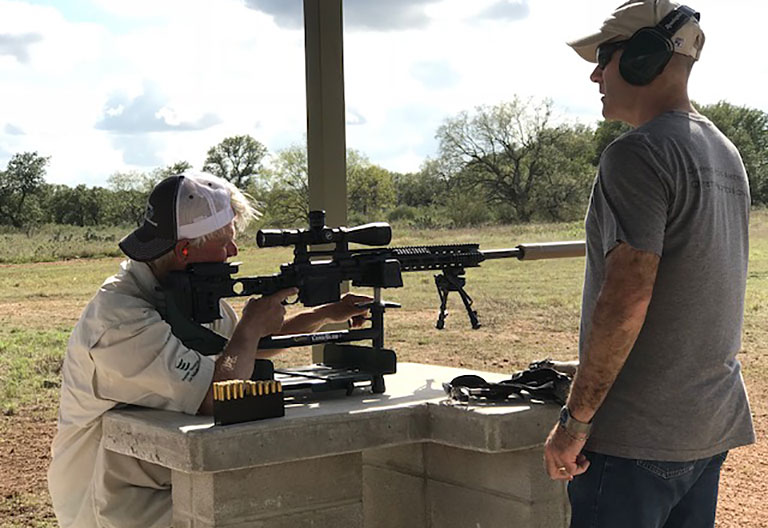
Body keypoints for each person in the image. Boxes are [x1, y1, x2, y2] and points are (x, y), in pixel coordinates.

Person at [48, 170, 370, 528]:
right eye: (226, 242)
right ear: (185, 249)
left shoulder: (183, 292)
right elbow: (217, 392)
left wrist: (324, 314)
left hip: (161, 478)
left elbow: (245, 352)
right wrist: (249, 327)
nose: (234, 251)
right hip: (113, 503)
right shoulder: (118, 321)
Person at [543, 1, 755, 527]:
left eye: (604, 57)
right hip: (707, 426)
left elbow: (628, 296)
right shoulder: (725, 152)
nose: (595, 73)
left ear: (643, 57)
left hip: (635, 438)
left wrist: (575, 421)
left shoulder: (636, 154)